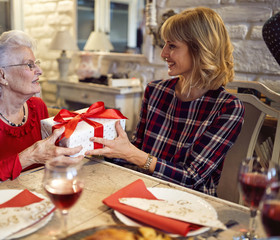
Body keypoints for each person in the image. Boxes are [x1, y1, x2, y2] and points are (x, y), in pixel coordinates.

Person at [86, 7, 245, 196]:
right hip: (142, 189)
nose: (163, 53)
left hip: (190, 203)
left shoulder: (228, 108)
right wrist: (97, 148)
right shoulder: (155, 91)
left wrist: (131, 154)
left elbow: (192, 178)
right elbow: (136, 151)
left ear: (199, 49)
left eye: (172, 46)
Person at [0, 30, 83, 190]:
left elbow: (48, 163)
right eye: (29, 65)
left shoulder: (38, 106)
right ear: (1, 75)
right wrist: (29, 157)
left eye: (36, 63)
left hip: (35, 193)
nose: (39, 70)